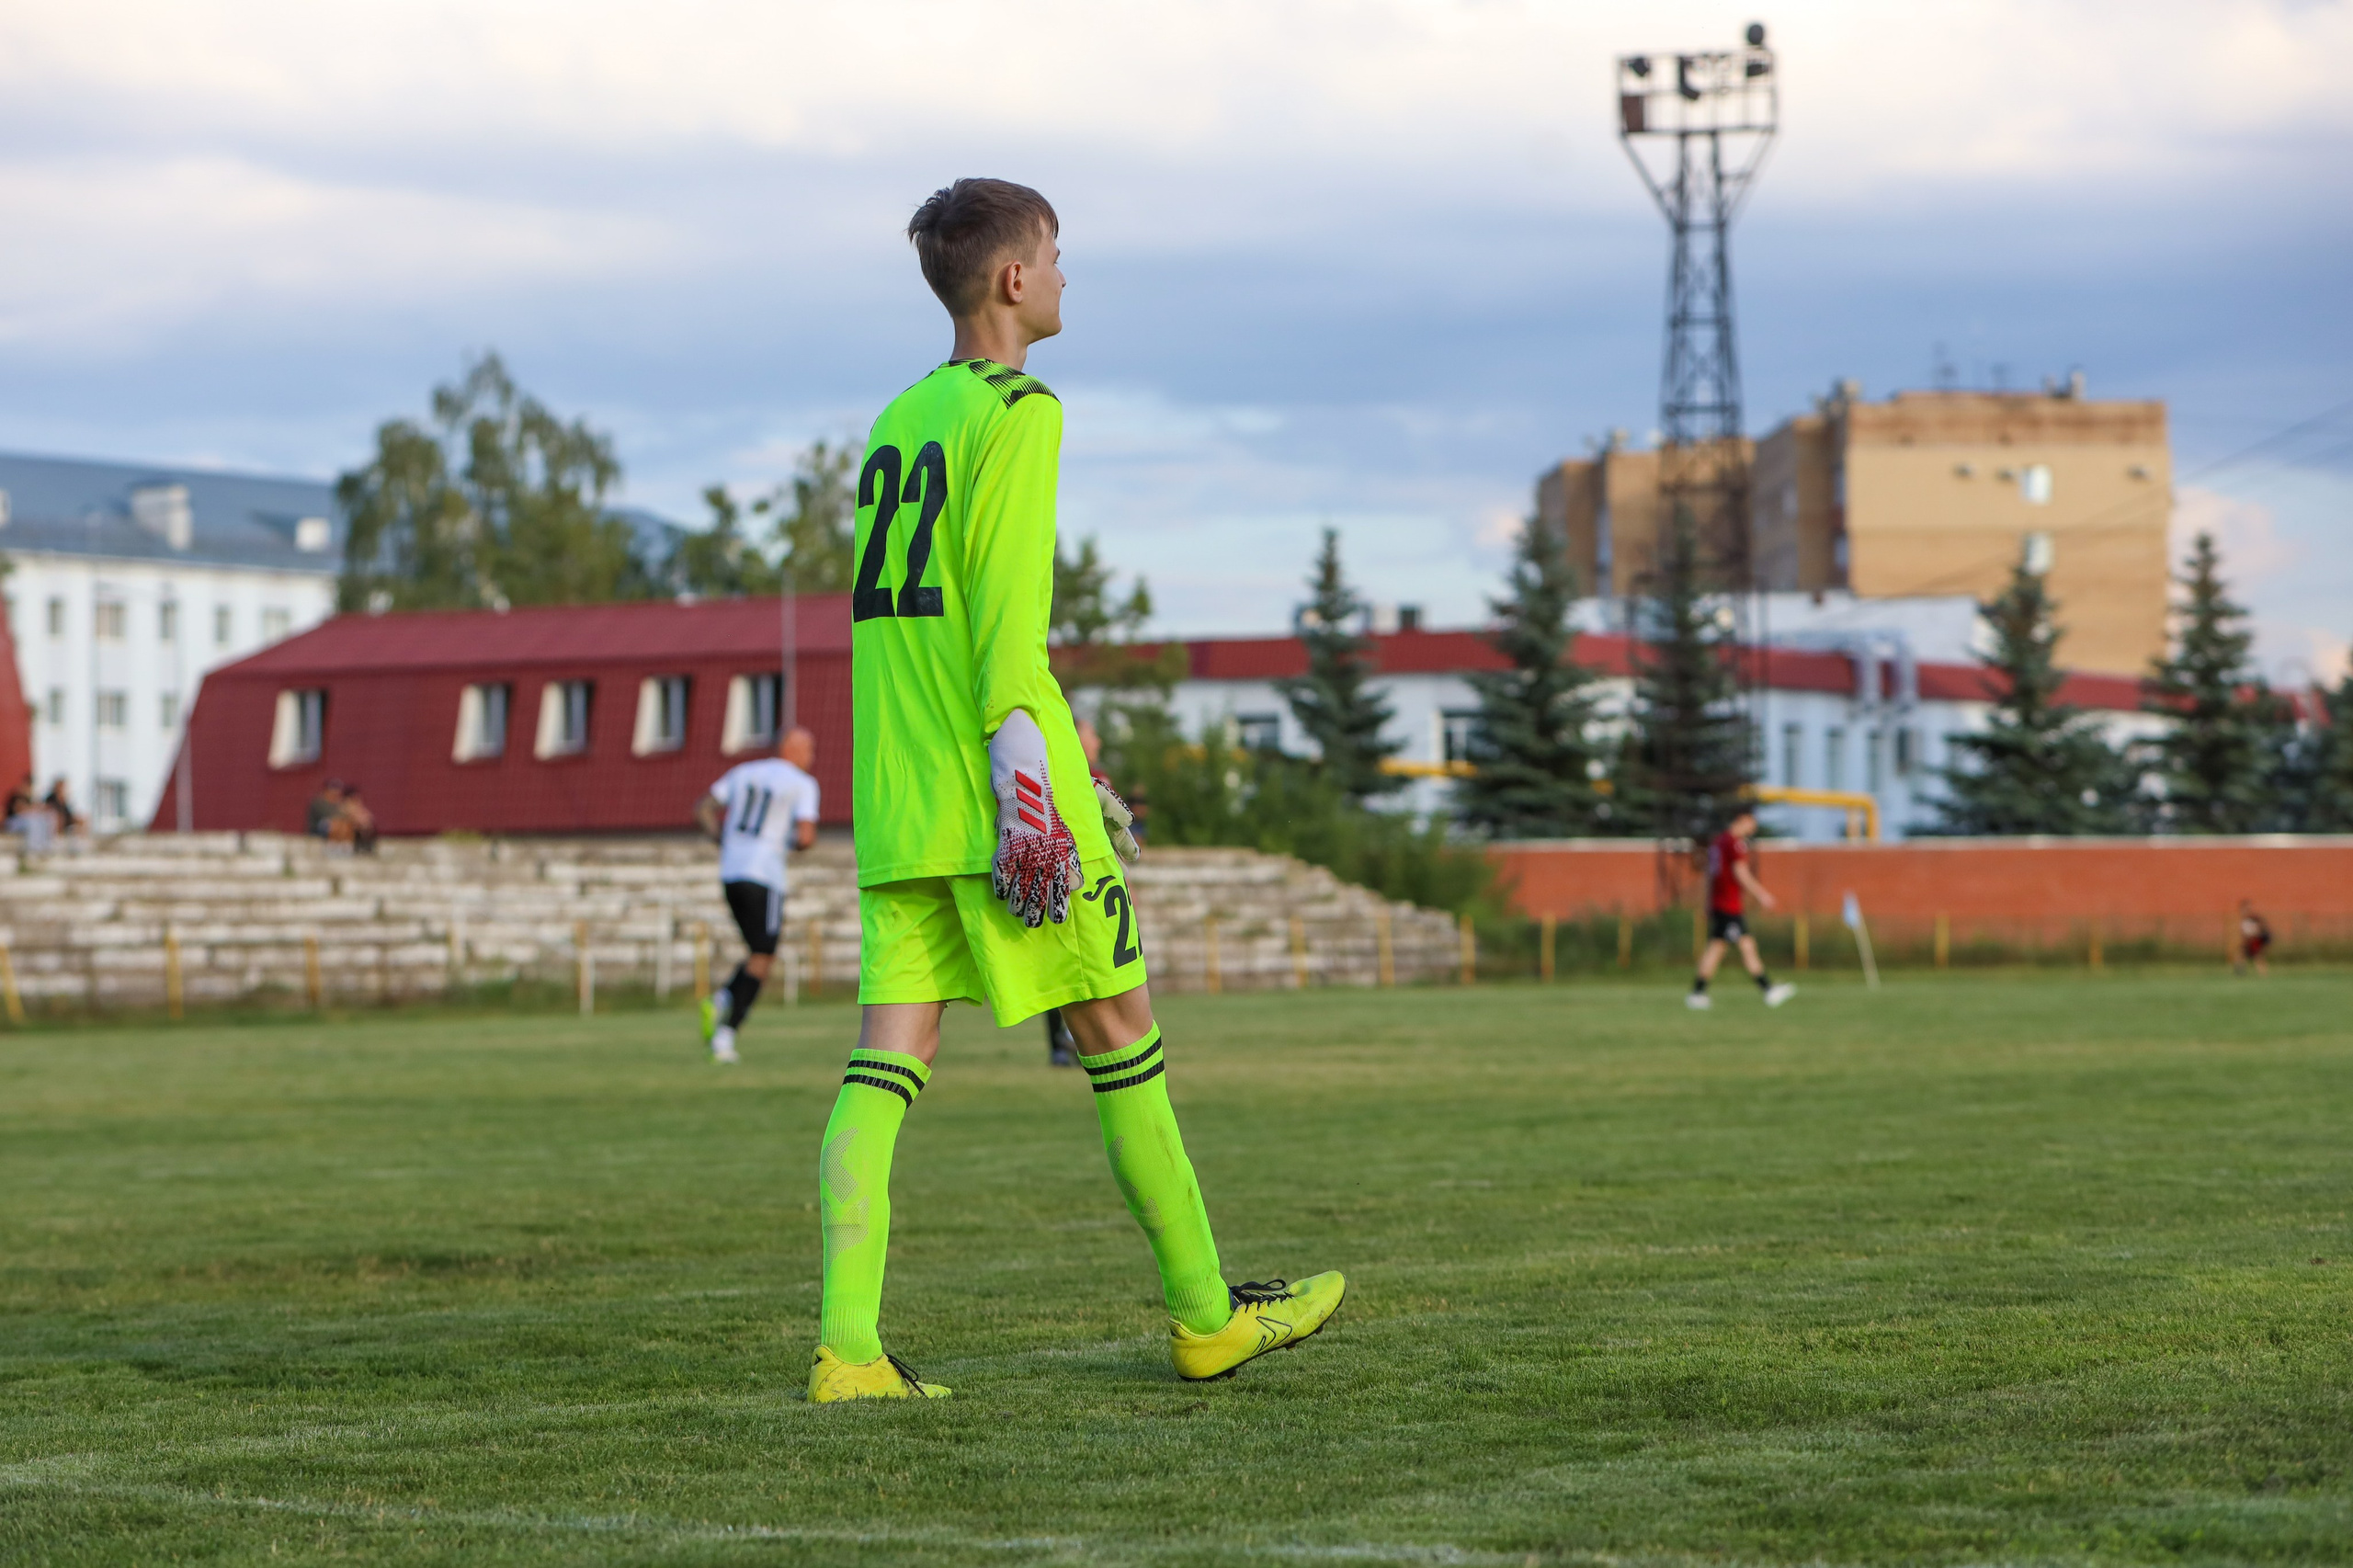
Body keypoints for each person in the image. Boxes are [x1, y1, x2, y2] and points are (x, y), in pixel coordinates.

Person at [807, 178, 1342, 1403]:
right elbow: (1005, 622)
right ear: (1011, 280)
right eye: (1054, 255)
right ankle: (1209, 1318)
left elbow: (909, 629)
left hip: (897, 798)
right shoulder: (1021, 409)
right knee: (1120, 1037)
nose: (1062, 276)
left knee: (882, 1066)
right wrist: (1034, 785)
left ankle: (847, 1351)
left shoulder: (900, 418)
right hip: (993, 786)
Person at [695, 726, 822, 1062]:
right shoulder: (802, 784)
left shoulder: (744, 771)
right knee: (764, 956)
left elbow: (704, 808)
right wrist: (784, 844)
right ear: (792, 749)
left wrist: (721, 840)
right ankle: (725, 1030)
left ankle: (722, 1003)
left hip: (731, 872)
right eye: (809, 750)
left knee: (756, 952)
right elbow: (806, 837)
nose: (812, 758)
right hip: (765, 874)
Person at [1042, 716, 1108, 1068]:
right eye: (1091, 733)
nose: (1097, 740)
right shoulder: (1052, 774)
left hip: (1098, 886)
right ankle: (1063, 1041)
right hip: (1068, 885)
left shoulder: (1099, 778)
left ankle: (1080, 1041)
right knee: (1065, 969)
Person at [1688, 807, 1797, 1010]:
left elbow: (1711, 876)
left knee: (1718, 948)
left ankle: (1697, 993)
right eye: (1751, 822)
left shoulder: (1718, 842)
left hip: (1720, 904)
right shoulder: (1734, 844)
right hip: (1729, 906)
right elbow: (1741, 872)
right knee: (1745, 947)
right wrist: (1761, 894)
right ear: (1741, 819)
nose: (1753, 827)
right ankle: (1768, 990)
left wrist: (1707, 903)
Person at [2234, 898, 2272, 976]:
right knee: (2241, 955)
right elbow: (2244, 933)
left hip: (2254, 941)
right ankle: (2241, 972)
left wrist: (2255, 935)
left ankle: (2263, 974)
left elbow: (2259, 928)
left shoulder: (2253, 918)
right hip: (2249, 941)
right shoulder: (2244, 920)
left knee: (2257, 957)